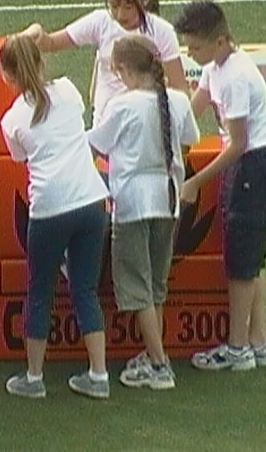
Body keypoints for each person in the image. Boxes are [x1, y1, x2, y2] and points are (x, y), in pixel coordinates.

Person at [173, 1, 266, 371]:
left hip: (253, 165)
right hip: (251, 165)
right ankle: (259, 341)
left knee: (241, 264)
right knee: (251, 258)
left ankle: (238, 348)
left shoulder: (236, 77)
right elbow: (191, 114)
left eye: (196, 47)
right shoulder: (214, 69)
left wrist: (195, 181)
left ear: (221, 41)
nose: (191, 54)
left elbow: (238, 143)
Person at [0, 34, 111, 399]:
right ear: (40, 61)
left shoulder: (12, 119)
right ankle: (99, 374)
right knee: (85, 289)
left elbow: (20, 158)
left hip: (49, 208)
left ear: (7, 76)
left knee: (39, 292)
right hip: (91, 199)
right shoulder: (68, 91)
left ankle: (34, 377)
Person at [86, 35, 200, 390]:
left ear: (123, 70)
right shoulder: (178, 100)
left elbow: (96, 144)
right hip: (168, 201)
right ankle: (154, 354)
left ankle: (159, 364)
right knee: (155, 285)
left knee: (137, 287)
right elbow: (189, 139)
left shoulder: (122, 105)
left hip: (133, 203)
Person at [20, 0, 187, 127]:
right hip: (104, 122)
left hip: (145, 124)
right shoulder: (100, 22)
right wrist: (37, 32)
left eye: (128, 7)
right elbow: (52, 43)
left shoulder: (162, 32)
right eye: (114, 7)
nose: (120, 15)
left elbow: (179, 87)